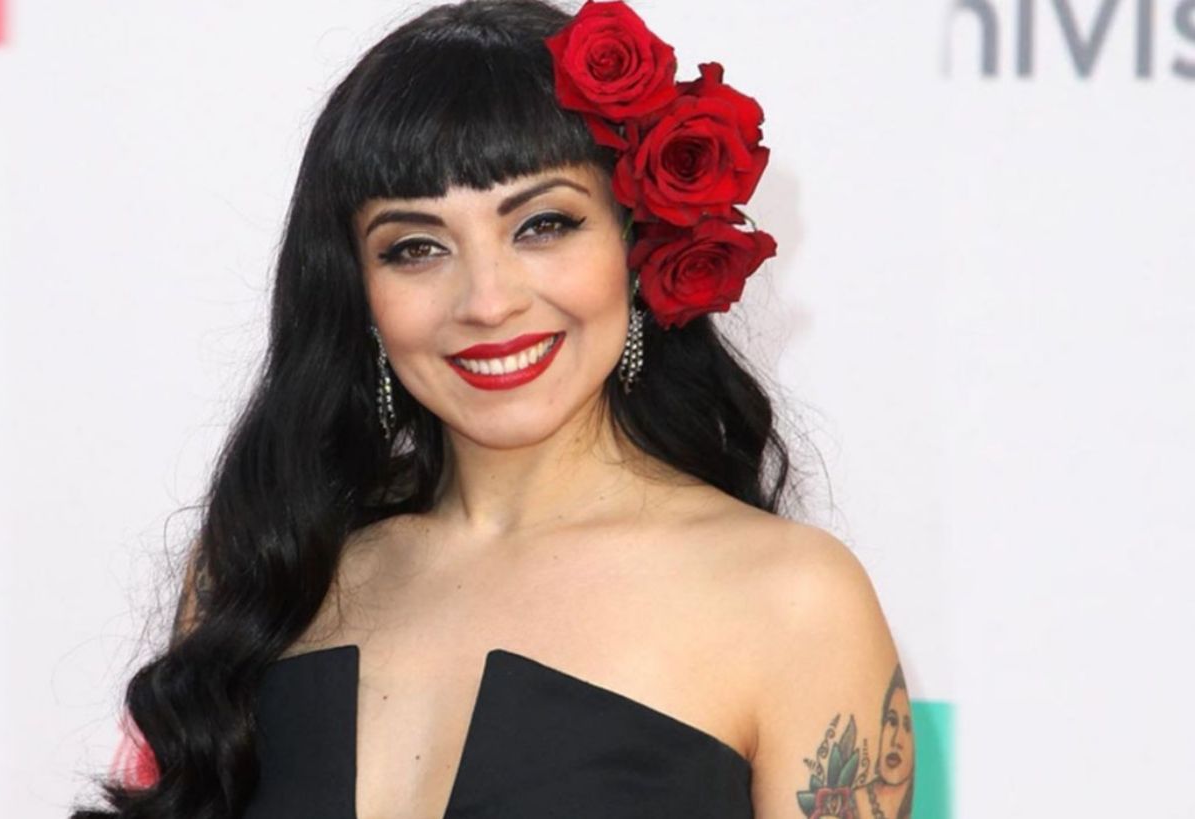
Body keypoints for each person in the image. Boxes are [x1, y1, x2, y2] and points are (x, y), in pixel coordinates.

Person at [71, 1, 913, 818]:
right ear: (358, 292)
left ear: (637, 243)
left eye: (543, 224)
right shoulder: (263, 573)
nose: (486, 300)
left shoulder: (790, 600)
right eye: (416, 247)